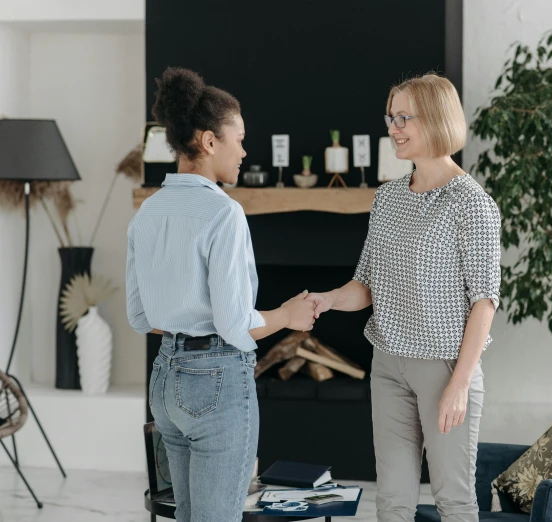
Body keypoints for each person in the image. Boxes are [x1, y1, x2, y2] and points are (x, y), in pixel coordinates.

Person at [306, 74, 501, 522]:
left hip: (445, 368)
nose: (392, 127)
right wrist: (329, 299)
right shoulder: (388, 198)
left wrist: (458, 385)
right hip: (388, 364)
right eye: (389, 117)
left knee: (454, 499)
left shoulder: (471, 203)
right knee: (392, 502)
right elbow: (367, 284)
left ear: (434, 119)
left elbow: (484, 302)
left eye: (402, 117)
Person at [126, 67, 316, 522]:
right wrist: (287, 315)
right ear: (210, 142)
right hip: (215, 384)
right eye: (240, 138)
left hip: (164, 382)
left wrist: (184, 321)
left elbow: (139, 316)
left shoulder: (146, 212)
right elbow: (234, 324)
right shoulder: (224, 213)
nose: (244, 151)